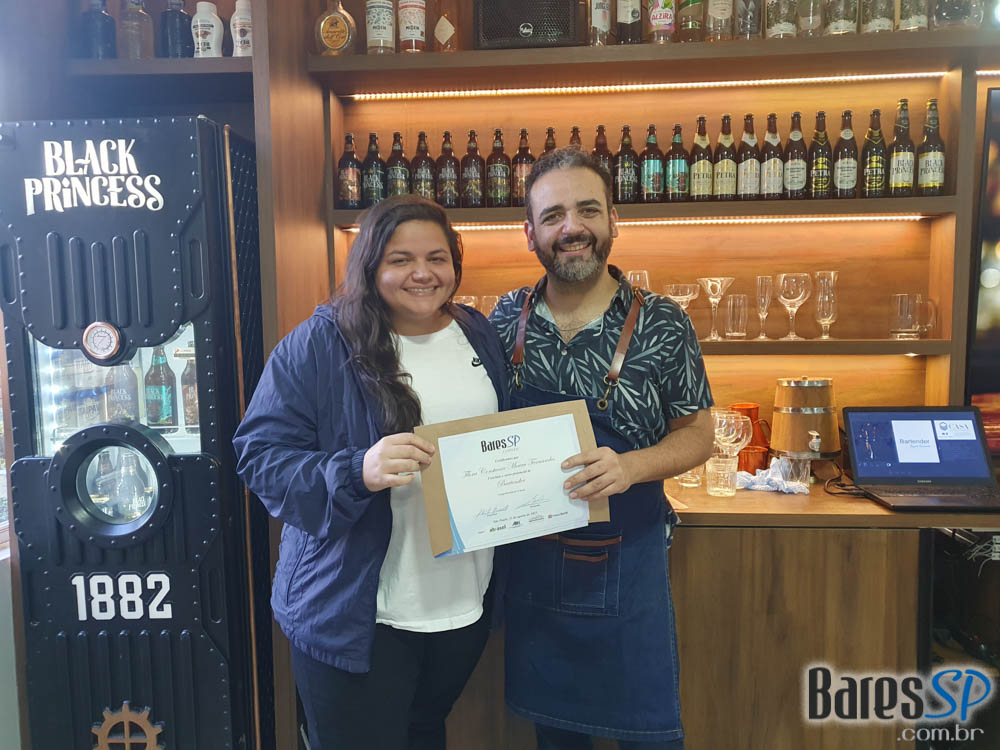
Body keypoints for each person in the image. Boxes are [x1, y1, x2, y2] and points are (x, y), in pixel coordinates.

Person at [233, 195, 511, 750]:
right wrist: (357, 470)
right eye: (400, 259)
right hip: (357, 611)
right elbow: (260, 457)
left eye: (437, 258)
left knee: (424, 733)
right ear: (368, 265)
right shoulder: (320, 342)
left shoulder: (476, 331)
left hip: (461, 600)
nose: (422, 273)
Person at [489, 148, 716, 750]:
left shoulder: (664, 322)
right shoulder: (506, 317)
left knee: (649, 738)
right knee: (556, 740)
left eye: (588, 210)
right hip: (534, 568)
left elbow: (699, 434)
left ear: (614, 220)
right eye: (553, 215)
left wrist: (631, 466)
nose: (573, 227)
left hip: (629, 563)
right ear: (530, 233)